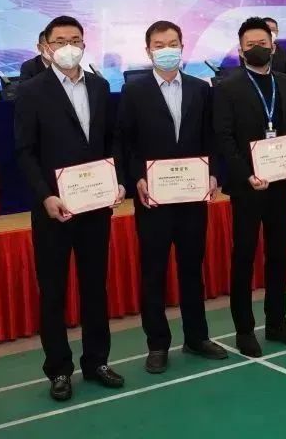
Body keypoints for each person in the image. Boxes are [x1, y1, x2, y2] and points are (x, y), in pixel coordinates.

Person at [13, 16, 125, 401]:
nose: (68, 47)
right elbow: (25, 151)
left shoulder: (100, 86)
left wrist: (116, 180)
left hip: (95, 206)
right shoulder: (31, 91)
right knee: (54, 291)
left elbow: (111, 141)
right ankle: (58, 369)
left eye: (75, 39)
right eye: (60, 40)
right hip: (53, 209)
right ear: (45, 47)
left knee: (95, 286)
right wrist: (45, 195)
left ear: (84, 44)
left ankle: (97, 361)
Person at [114, 21, 227, 374]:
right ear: (148, 50)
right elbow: (125, 142)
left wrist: (213, 172)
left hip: (192, 196)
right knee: (154, 273)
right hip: (153, 199)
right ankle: (158, 344)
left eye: (173, 43)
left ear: (182, 46)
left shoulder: (200, 88)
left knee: (192, 269)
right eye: (159, 44)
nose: (167, 49)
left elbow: (211, 137)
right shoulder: (134, 91)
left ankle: (197, 337)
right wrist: (137, 177)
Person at [214, 17, 286, 357]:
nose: (257, 48)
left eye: (263, 43)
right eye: (250, 44)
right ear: (241, 50)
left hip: (281, 184)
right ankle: (244, 329)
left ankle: (277, 322)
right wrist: (246, 175)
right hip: (248, 187)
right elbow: (224, 137)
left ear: (273, 45)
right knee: (244, 256)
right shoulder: (227, 86)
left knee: (278, 255)